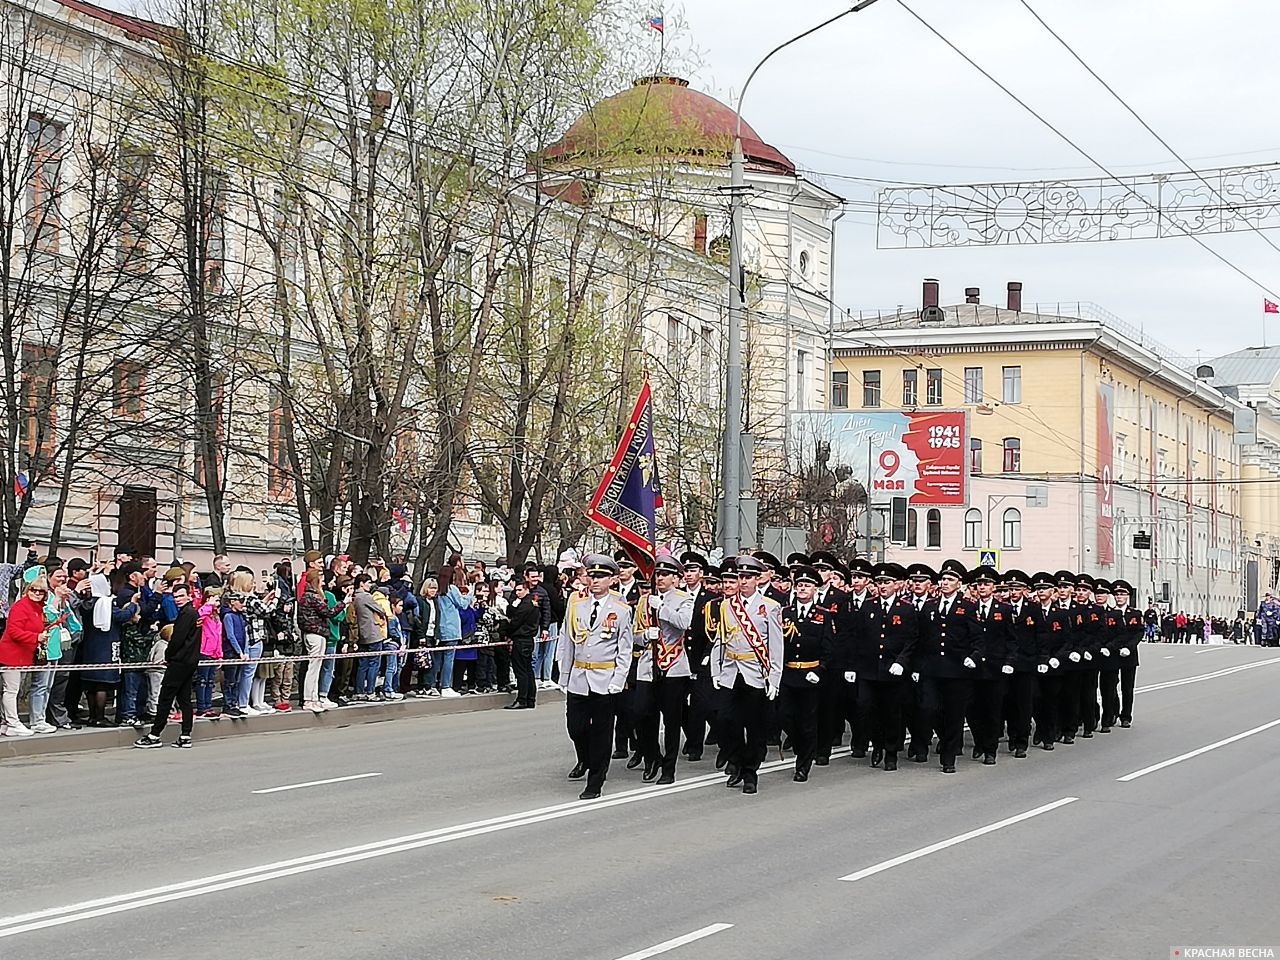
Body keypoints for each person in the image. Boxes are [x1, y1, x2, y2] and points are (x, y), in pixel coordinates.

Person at [558, 554, 634, 800]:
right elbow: (567, 640)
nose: (595, 580)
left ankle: (595, 781)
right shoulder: (577, 605)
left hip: (605, 678)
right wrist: (564, 675)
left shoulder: (621, 610)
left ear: (612, 580)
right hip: (579, 676)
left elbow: (625, 650)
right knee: (575, 727)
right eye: (592, 575)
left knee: (602, 732)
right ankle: (585, 758)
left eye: (601, 576)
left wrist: (617, 682)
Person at [714, 554, 783, 795]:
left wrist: (774, 678)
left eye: (747, 577)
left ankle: (750, 772)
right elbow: (720, 641)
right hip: (731, 671)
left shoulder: (770, 607)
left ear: (756, 580)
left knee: (754, 726)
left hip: (755, 672)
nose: (742, 581)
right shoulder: (726, 605)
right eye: (740, 577)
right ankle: (736, 758)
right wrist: (716, 669)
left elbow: (776, 646)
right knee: (724, 719)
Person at [850, 562, 917, 772]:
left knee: (891, 712)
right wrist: (852, 666)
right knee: (866, 708)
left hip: (892, 670)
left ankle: (890, 752)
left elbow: (912, 639)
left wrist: (901, 661)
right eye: (879, 582)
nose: (883, 586)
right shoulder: (869, 606)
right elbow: (857, 637)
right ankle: (876, 744)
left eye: (887, 582)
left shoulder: (906, 608)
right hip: (869, 669)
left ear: (896, 585)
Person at [633, 556, 694, 784]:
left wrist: (663, 608)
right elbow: (634, 634)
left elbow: (684, 622)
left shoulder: (683, 598)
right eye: (657, 574)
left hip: (674, 666)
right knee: (640, 713)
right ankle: (652, 757)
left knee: (671, 720)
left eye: (665, 575)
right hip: (648, 664)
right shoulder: (644, 601)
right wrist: (643, 636)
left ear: (676, 579)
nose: (659, 578)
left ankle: (669, 768)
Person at [916, 559, 978, 774]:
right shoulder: (930, 606)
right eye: (943, 579)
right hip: (932, 669)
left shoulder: (968, 607)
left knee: (954, 713)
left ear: (959, 584)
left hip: (957, 669)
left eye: (950, 579)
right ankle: (943, 738)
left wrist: (974, 656)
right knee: (928, 708)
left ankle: (949, 756)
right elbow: (921, 637)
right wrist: (917, 665)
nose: (945, 583)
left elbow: (977, 637)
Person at [779, 564, 835, 782]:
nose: (802, 588)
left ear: (815, 590)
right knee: (785, 717)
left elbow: (829, 649)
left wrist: (820, 671)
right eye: (799, 585)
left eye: (807, 585)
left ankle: (803, 764)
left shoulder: (823, 615)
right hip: (788, 674)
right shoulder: (784, 613)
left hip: (811, 676)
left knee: (807, 722)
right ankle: (800, 746)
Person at [134, 582, 200, 748]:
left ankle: (155, 734)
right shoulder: (192, 613)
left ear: (188, 595)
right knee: (184, 698)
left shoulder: (187, 614)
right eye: (175, 596)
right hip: (189, 661)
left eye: (180, 596)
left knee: (165, 697)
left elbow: (177, 640)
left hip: (179, 662)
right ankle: (185, 735)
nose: (177, 599)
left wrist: (169, 656)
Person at [965, 566, 1015, 765]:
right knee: (973, 709)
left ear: (994, 587)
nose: (983, 587)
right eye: (979, 584)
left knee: (993, 709)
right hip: (974, 668)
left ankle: (990, 748)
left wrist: (1009, 661)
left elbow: (1011, 638)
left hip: (995, 667)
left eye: (986, 584)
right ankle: (979, 741)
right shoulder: (969, 608)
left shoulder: (1004, 609)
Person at [0, 572, 51, 737]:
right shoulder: (21, 607)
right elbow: (14, 631)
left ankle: (7, 723)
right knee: (11, 690)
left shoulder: (36, 608)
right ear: (27, 590)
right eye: (34, 590)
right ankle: (12, 722)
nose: (37, 593)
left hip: (22, 655)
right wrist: (36, 637)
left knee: (13, 690)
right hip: (12, 654)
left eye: (41, 591)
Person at [298, 570, 346, 713]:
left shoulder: (307, 596)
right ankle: (309, 699)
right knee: (313, 668)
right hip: (316, 634)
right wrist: (343, 603)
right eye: (321, 579)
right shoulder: (312, 597)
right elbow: (329, 612)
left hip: (314, 633)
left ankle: (313, 698)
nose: (324, 582)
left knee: (316, 667)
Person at [429, 566, 472, 698]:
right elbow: (462, 604)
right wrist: (470, 594)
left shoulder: (437, 590)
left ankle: (432, 685)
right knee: (449, 659)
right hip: (451, 627)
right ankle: (446, 686)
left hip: (439, 627)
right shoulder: (451, 589)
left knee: (437, 659)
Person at [504, 579, 540, 709]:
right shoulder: (532, 603)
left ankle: (522, 699)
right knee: (528, 670)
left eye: (520, 590)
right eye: (516, 590)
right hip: (527, 639)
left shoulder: (526, 605)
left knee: (521, 671)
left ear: (526, 590)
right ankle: (530, 699)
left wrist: (507, 631)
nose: (517, 593)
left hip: (521, 639)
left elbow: (515, 621)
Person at [1111, 579, 1143, 728]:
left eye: (1122, 594)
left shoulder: (1135, 614)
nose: (1119, 597)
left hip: (1129, 655)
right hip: (1113, 654)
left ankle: (1126, 716)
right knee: (1111, 685)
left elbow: (1138, 633)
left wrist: (1129, 647)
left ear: (1128, 596)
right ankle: (1114, 711)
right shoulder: (1110, 613)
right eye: (1117, 594)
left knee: (1127, 687)